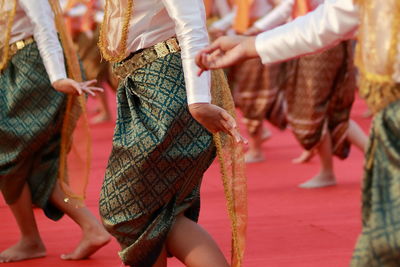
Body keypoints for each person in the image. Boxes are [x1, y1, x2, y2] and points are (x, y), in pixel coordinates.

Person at [197, 0, 400, 265]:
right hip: (390, 111)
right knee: (383, 243)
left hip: (351, 74)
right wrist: (251, 44)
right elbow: (331, 18)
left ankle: (323, 167)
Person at [97, 0, 245, 266]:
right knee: (151, 211)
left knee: (128, 208)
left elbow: (192, 26)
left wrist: (198, 100)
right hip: (141, 83)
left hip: (169, 85)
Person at [207, 0, 367, 188]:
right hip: (304, 37)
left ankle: (328, 167)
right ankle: (373, 155)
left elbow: (309, 14)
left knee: (311, 107)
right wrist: (250, 42)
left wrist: (254, 35)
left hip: (315, 42)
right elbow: (328, 18)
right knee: (327, 110)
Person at [0, 0, 110, 263]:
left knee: (8, 157)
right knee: (36, 163)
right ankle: (90, 228)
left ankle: (31, 239)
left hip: (34, 69)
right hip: (13, 69)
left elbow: (44, 27)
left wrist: (56, 77)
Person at [208, 0, 280, 163]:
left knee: (252, 95)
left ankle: (256, 149)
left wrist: (259, 27)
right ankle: (258, 137)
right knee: (239, 94)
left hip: (260, 40)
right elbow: (240, 12)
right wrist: (222, 26)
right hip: (244, 38)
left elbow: (285, 5)